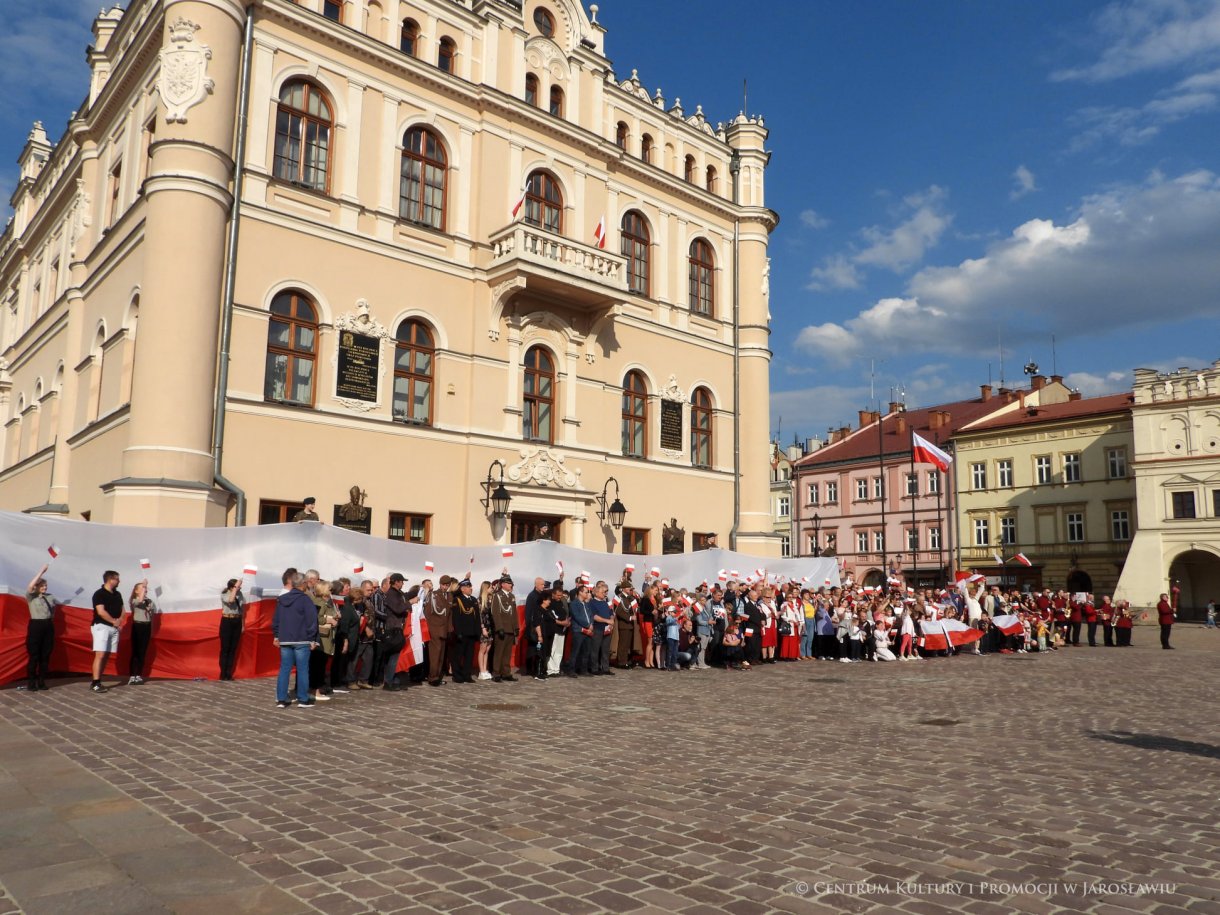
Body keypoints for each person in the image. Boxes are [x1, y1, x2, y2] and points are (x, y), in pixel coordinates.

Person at [273, 568, 318, 708]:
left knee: (284, 669)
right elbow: (312, 620)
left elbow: (276, 619)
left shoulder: (282, 600)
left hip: (285, 638)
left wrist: (276, 635)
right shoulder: (305, 599)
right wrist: (313, 639)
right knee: (302, 669)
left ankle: (281, 699)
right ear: (303, 584)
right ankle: (303, 699)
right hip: (302, 639)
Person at [90, 570, 125, 693]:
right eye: (117, 579)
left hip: (113, 627)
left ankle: (99, 679)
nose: (119, 581)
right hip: (101, 626)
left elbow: (122, 609)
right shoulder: (99, 594)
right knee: (100, 654)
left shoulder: (117, 594)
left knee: (107, 654)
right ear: (110, 579)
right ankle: (95, 682)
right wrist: (113, 621)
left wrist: (119, 620)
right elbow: (101, 611)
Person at [24, 563, 57, 692]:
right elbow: (30, 586)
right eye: (42, 585)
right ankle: (31, 682)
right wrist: (41, 572)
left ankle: (41, 681)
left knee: (45, 655)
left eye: (45, 585)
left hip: (48, 625)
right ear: (37, 587)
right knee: (34, 655)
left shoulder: (50, 597)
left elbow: (54, 610)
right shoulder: (31, 597)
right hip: (36, 625)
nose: (44, 587)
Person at [381, 573, 410, 690]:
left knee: (396, 657)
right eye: (402, 581)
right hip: (393, 628)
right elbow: (398, 609)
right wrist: (410, 603)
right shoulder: (392, 594)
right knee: (393, 657)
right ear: (396, 582)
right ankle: (388, 682)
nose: (403, 583)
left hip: (397, 627)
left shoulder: (398, 593)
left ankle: (394, 679)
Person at [423, 576, 452, 686]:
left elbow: (450, 614)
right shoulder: (434, 595)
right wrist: (429, 629)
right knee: (435, 655)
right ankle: (433, 677)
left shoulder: (449, 596)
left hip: (444, 629)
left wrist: (450, 629)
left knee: (441, 655)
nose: (445, 587)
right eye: (443, 585)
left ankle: (438, 676)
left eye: (447, 585)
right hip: (434, 628)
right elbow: (428, 612)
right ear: (440, 584)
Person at [489, 574, 519, 682]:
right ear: (503, 584)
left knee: (507, 653)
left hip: (510, 628)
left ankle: (506, 673)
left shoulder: (511, 596)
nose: (511, 585)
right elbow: (495, 613)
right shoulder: (497, 596)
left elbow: (514, 613)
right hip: (501, 628)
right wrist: (499, 627)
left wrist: (516, 627)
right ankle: (496, 673)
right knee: (499, 652)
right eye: (509, 583)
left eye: (511, 583)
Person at [127, 579, 157, 684]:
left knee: (142, 652)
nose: (145, 590)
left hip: (146, 626)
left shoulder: (149, 601)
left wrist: (152, 630)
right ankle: (132, 675)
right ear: (136, 591)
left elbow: (152, 616)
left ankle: (139, 675)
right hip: (138, 625)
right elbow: (140, 601)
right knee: (136, 651)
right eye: (142, 588)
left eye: (145, 588)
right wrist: (144, 585)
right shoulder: (134, 600)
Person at [451, 579, 481, 683]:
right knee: (458, 655)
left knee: (469, 656)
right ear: (463, 589)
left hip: (472, 632)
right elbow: (456, 618)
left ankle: (467, 674)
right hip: (462, 632)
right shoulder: (457, 599)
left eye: (470, 586)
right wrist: (458, 632)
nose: (470, 588)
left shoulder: (473, 600)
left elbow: (477, 617)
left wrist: (478, 632)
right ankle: (457, 675)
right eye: (468, 587)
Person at [218, 577, 246, 680]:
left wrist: (243, 624)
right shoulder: (225, 594)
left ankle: (229, 673)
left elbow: (241, 610)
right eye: (238, 587)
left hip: (237, 621)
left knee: (233, 649)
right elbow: (231, 600)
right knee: (225, 648)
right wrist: (235, 588)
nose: (239, 588)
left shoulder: (240, 594)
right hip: (227, 621)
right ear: (231, 587)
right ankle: (223, 673)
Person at [527, 591, 556, 681]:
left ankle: (543, 670)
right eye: (548, 600)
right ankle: (538, 672)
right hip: (541, 635)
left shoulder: (548, 610)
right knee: (539, 653)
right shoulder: (538, 610)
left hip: (548, 635)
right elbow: (537, 623)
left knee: (545, 653)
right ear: (543, 600)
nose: (550, 601)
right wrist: (539, 636)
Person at [568, 584, 594, 676]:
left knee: (586, 651)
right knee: (576, 651)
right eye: (586, 592)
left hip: (588, 631)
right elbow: (577, 617)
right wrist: (587, 625)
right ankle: (571, 670)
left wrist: (591, 624)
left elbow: (591, 615)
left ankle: (583, 670)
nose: (588, 594)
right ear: (580, 592)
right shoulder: (573, 604)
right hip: (578, 630)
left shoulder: (586, 604)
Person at [590, 581, 615, 676]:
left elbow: (611, 613)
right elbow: (595, 616)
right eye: (603, 592)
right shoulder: (592, 603)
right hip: (597, 628)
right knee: (595, 649)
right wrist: (607, 621)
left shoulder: (605, 603)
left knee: (605, 649)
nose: (605, 594)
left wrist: (611, 620)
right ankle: (594, 668)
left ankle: (605, 668)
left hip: (607, 629)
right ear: (596, 593)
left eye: (605, 592)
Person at [476, 580, 494, 680]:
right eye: (490, 587)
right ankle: (481, 671)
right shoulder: (479, 601)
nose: (492, 589)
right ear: (486, 588)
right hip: (484, 628)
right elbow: (479, 616)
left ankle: (485, 669)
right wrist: (483, 628)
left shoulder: (490, 600)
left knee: (487, 650)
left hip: (490, 627)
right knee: (482, 650)